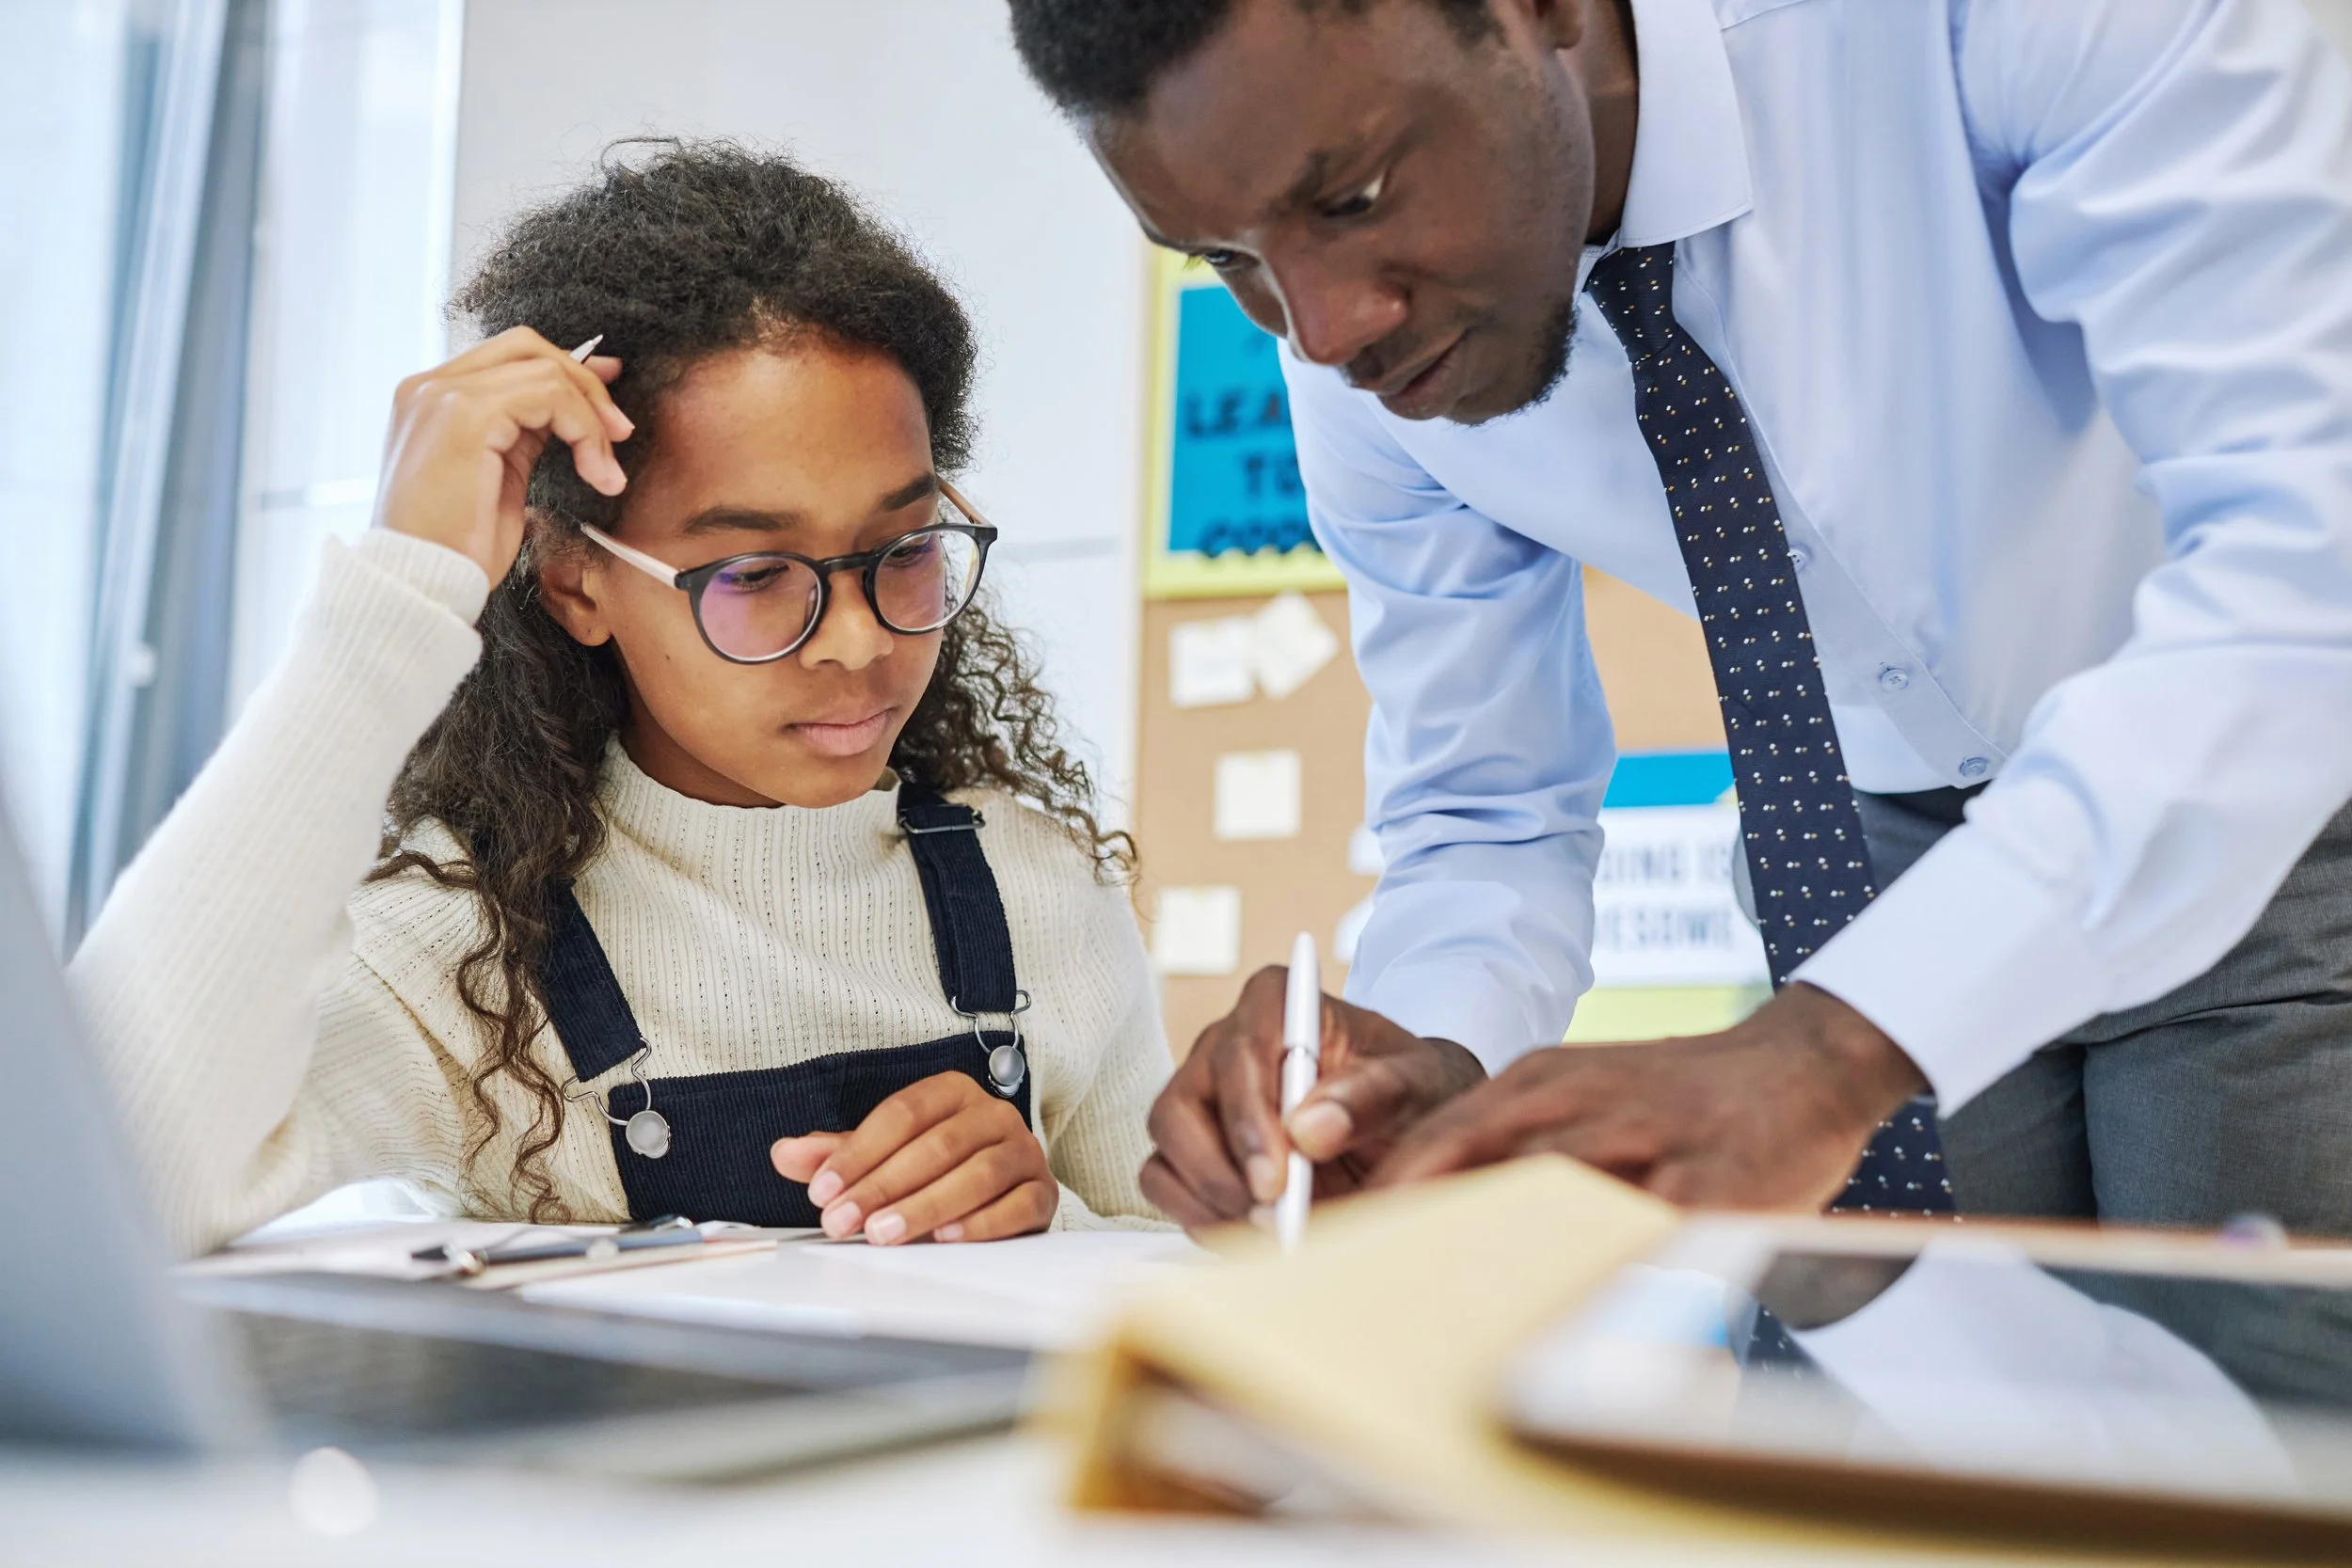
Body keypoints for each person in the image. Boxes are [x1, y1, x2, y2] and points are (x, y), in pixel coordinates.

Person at [1007, 0, 2352, 1232]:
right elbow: (1487, 806)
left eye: (1353, 196)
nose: (1324, 327)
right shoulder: (1348, 352)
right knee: (1915, 1428)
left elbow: (2310, 561)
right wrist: (1404, 1055)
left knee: (2251, 1416)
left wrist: (1836, 1044)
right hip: (1869, 855)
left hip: (2262, 761)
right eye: (1227, 260)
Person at [69, 143, 1170, 1257]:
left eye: (902, 549)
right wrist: (398, 592)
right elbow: (96, 1189)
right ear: (576, 578)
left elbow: (1198, 1296)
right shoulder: (466, 948)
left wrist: (1050, 1214)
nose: (855, 641)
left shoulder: (1037, 888)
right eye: (752, 575)